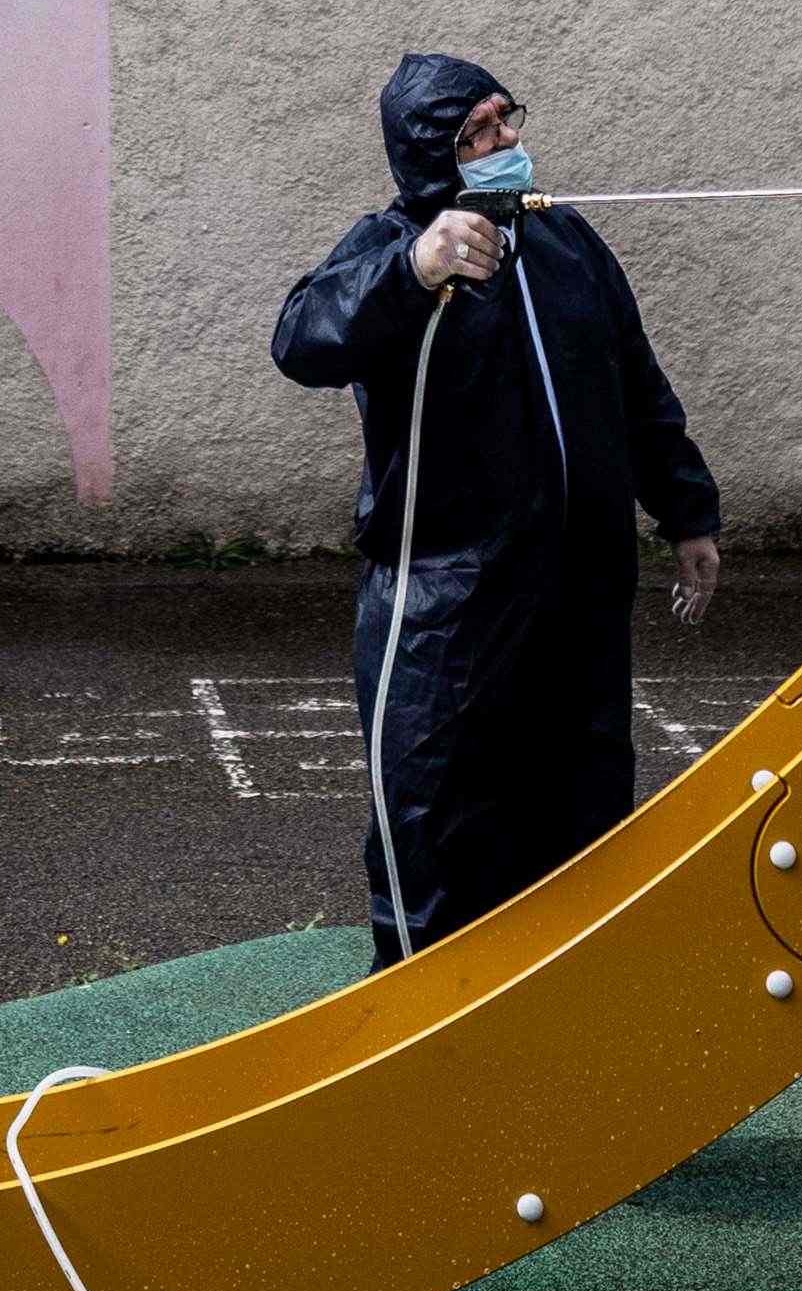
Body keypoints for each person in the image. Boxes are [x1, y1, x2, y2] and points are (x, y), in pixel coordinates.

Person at [272, 52, 721, 962]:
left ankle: (572, 1003)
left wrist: (688, 513)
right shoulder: (392, 245)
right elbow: (302, 338)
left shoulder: (567, 242)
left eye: (506, 118)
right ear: (428, 154)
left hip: (580, 586)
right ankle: (420, 1012)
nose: (505, 138)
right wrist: (416, 267)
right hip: (449, 596)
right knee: (435, 813)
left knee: (583, 804)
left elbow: (636, 384)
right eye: (476, 132)